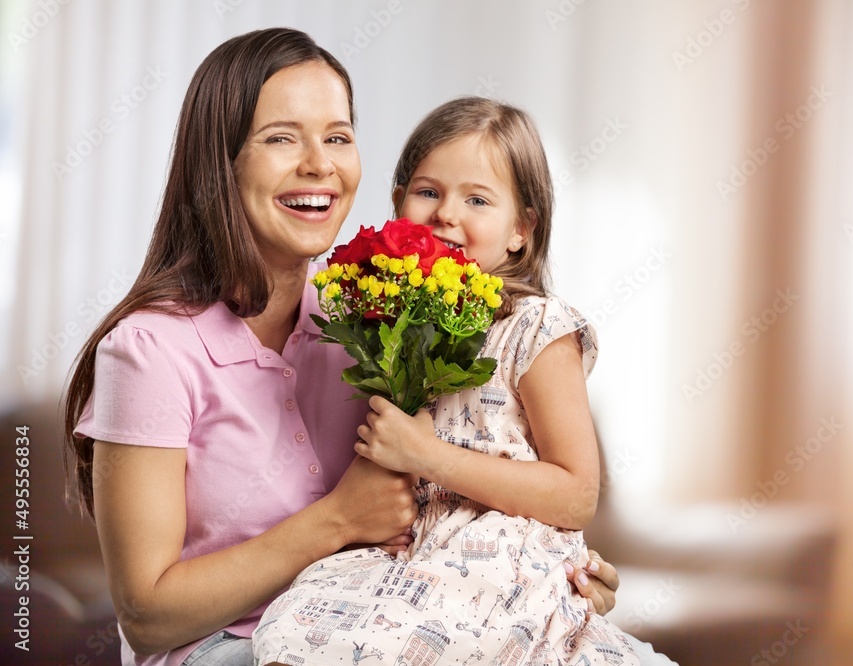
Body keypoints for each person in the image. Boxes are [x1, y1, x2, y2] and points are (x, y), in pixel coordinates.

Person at [62, 29, 640, 666]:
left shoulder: (380, 323)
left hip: (390, 623)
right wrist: (337, 519)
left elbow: (477, 489)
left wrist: (542, 583)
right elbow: (147, 616)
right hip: (230, 647)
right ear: (219, 162)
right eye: (281, 137)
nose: (320, 164)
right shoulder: (147, 351)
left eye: (337, 136)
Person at [253, 97, 677, 665]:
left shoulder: (538, 328)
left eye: (477, 199)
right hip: (407, 553)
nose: (446, 213)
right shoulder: (391, 320)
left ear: (521, 230)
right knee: (286, 633)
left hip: (498, 560)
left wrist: (430, 456)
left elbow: (576, 496)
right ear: (398, 202)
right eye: (428, 192)